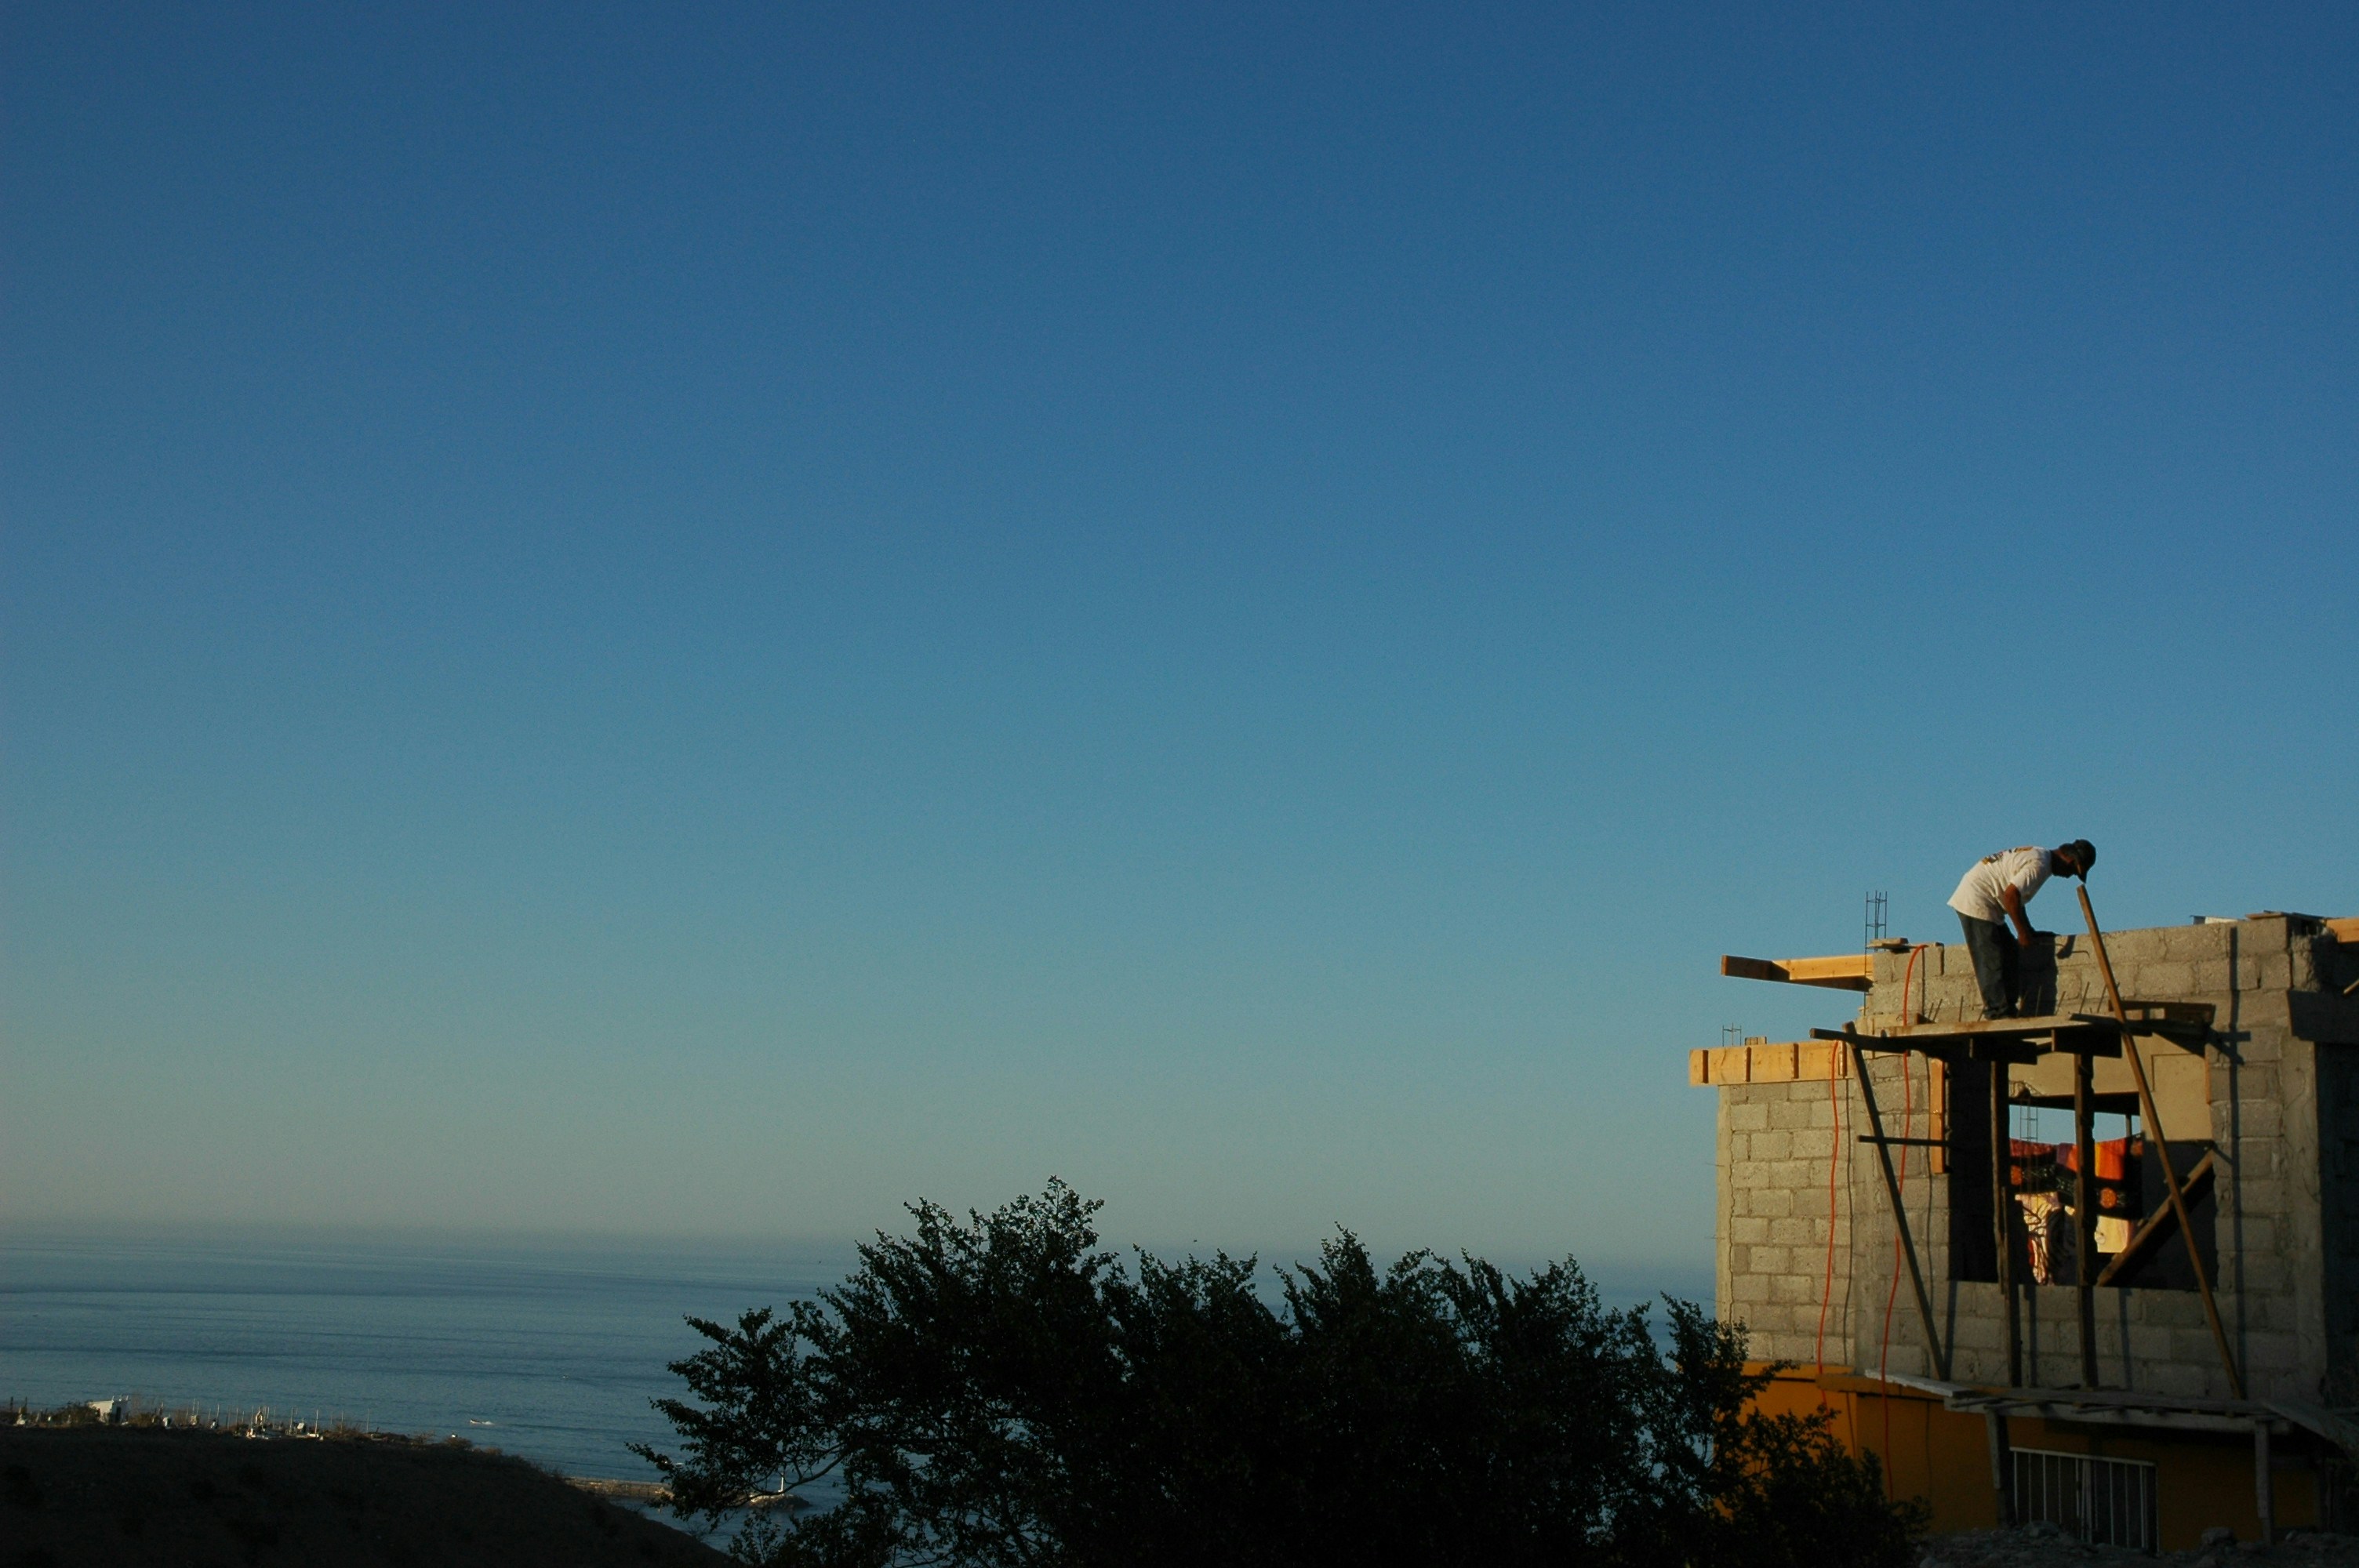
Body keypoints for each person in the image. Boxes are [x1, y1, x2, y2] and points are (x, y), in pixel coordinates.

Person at [1947, 839, 2095, 1019]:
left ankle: (2007, 1010)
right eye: (2073, 872)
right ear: (2071, 861)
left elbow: (2018, 899)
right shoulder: (2039, 865)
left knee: (2010, 951)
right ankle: (1997, 1013)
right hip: (1976, 899)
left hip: (1986, 899)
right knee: (1992, 958)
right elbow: (2011, 896)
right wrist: (2022, 933)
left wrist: (2028, 930)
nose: (2068, 877)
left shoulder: (2041, 856)